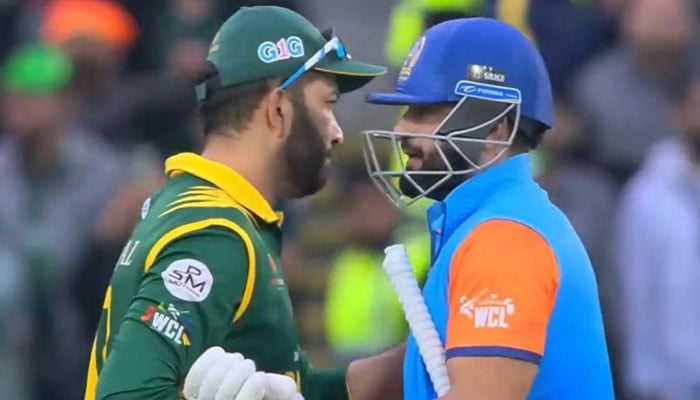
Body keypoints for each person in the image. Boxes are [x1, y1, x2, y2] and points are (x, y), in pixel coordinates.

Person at [85, 6, 405, 400]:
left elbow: (292, 387)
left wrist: (411, 362)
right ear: (279, 109)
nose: (338, 132)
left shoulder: (205, 208)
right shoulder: (216, 233)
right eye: (328, 104)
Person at [361, 18, 615, 399]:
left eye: (426, 111)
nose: (402, 130)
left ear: (495, 127)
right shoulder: (497, 224)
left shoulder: (504, 240)